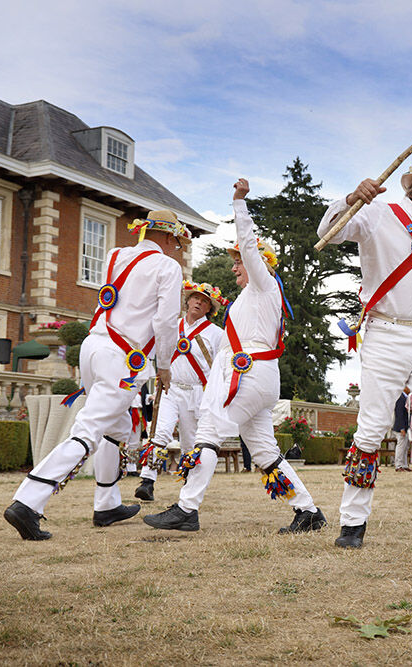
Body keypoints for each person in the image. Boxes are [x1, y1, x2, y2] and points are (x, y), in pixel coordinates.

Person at [143, 179, 325, 534]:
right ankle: (308, 511)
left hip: (251, 373)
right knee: (263, 450)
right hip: (258, 376)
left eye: (238, 261)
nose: (234, 267)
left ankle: (186, 508)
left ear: (256, 262)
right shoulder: (256, 296)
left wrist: (239, 204)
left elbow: (249, 247)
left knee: (208, 431)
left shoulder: (263, 284)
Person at [4, 210, 187, 540]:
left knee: (113, 429)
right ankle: (27, 502)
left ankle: (106, 504)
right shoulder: (168, 267)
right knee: (89, 429)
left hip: (93, 346)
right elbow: (165, 321)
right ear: (170, 237)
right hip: (122, 357)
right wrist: (164, 365)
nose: (178, 248)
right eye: (178, 242)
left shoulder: (115, 255)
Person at [318, 157, 412, 551]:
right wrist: (353, 197)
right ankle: (353, 522)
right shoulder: (377, 213)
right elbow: (328, 233)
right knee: (372, 426)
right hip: (384, 331)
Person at [134, 281, 228, 502]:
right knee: (160, 431)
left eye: (205, 301)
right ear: (187, 301)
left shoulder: (216, 333)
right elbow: (153, 351)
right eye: (196, 298)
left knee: (191, 442)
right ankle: (147, 481)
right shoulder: (171, 325)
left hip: (198, 393)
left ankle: (188, 487)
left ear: (209, 309)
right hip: (169, 388)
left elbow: (222, 366)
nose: (198, 302)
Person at [393, 389, 411, 472]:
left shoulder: (405, 397)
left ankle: (404, 464)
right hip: (400, 427)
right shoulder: (400, 397)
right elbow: (399, 413)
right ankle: (398, 465)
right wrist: (402, 428)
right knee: (400, 446)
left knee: (405, 446)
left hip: (405, 426)